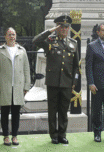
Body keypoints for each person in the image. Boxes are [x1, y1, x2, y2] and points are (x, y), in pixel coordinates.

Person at [33, 15, 80, 145]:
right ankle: (53, 135)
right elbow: (35, 41)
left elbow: (76, 66)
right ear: (57, 28)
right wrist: (50, 30)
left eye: (66, 27)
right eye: (61, 27)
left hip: (67, 82)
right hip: (53, 82)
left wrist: (74, 82)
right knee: (52, 110)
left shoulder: (73, 43)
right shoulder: (50, 41)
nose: (64, 29)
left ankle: (62, 135)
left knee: (64, 111)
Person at [0, 28, 31, 147]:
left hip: (18, 86)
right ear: (5, 36)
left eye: (13, 34)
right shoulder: (0, 50)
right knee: (4, 112)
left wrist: (26, 86)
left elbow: (26, 69)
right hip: (4, 86)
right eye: (9, 34)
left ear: (16, 36)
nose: (11, 36)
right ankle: (6, 136)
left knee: (16, 113)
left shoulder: (22, 50)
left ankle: (14, 136)